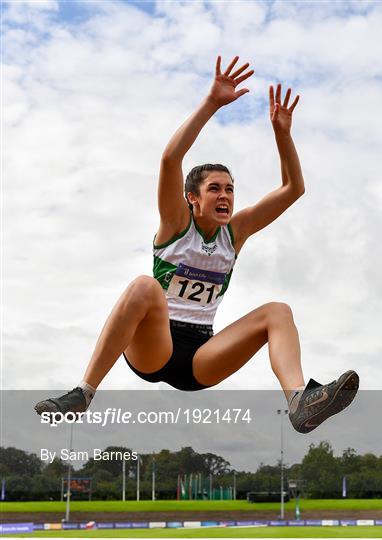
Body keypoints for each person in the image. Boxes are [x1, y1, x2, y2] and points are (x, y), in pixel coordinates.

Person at [35, 56, 359, 433]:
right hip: (154, 347)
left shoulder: (234, 233)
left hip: (201, 357)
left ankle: (300, 401)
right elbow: (171, 158)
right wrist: (212, 103)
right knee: (144, 286)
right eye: (215, 189)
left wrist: (282, 134)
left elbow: (293, 189)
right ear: (192, 198)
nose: (226, 196)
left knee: (278, 311)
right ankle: (83, 393)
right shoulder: (176, 222)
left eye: (230, 189)